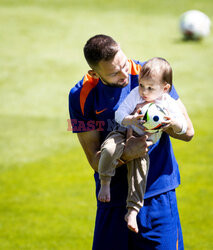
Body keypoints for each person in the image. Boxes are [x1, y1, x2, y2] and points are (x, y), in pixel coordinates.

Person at [69, 34, 194, 250]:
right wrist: (127, 152)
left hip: (157, 196)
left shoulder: (150, 74)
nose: (125, 74)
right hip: (112, 201)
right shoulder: (80, 95)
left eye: (123, 63)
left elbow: (189, 132)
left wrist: (163, 123)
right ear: (94, 73)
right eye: (114, 73)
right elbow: (93, 160)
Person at [97, 57, 188, 234]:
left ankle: (132, 210)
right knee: (108, 149)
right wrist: (130, 118)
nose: (144, 91)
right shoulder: (135, 95)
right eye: (141, 85)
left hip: (142, 143)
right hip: (121, 133)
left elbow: (184, 128)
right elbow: (119, 114)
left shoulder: (167, 103)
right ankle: (105, 181)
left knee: (139, 173)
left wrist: (172, 123)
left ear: (165, 88)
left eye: (150, 88)